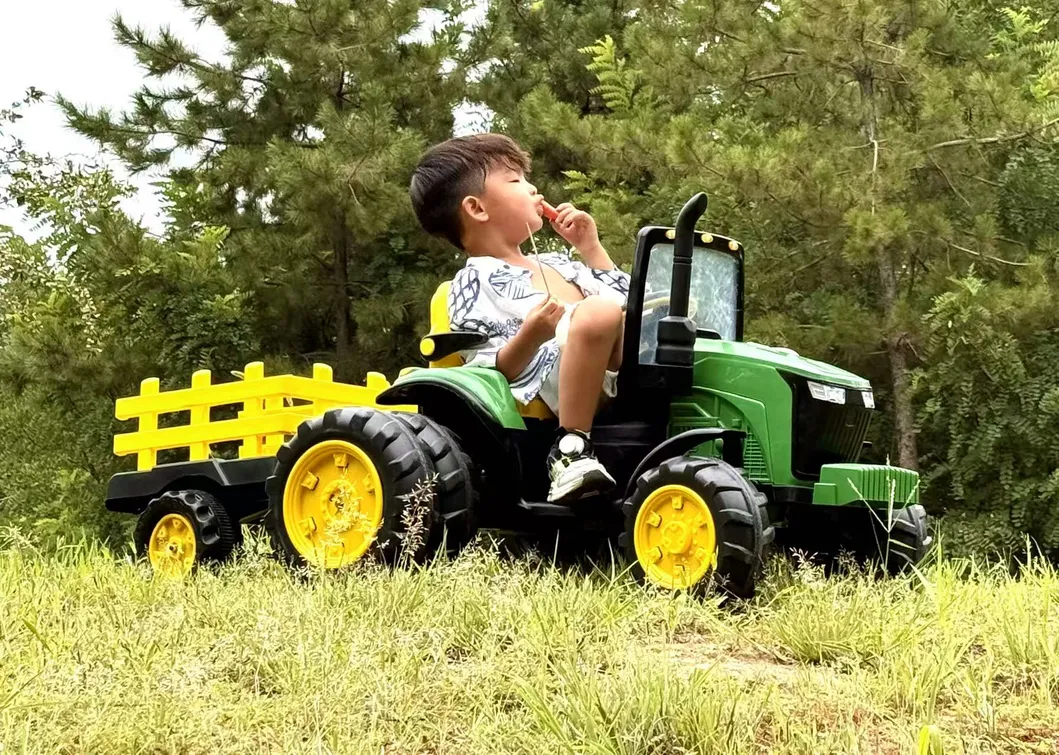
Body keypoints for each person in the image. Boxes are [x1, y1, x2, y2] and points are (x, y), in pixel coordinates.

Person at [409, 133, 631, 504]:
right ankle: (570, 450)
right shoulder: (472, 283)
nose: (534, 190)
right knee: (602, 311)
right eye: (516, 181)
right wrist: (531, 335)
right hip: (554, 382)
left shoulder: (560, 265)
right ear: (477, 209)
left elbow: (630, 300)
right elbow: (485, 373)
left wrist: (591, 248)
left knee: (661, 316)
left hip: (621, 363)